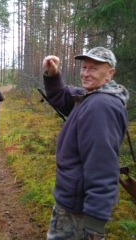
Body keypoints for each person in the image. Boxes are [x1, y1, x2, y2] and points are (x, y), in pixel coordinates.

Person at [43, 47, 129, 240]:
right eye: (84, 67)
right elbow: (63, 96)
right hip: (73, 200)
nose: (85, 73)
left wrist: (94, 224)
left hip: (79, 210)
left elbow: (102, 166)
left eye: (93, 69)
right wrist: (53, 74)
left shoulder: (101, 106)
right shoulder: (91, 96)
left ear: (110, 73)